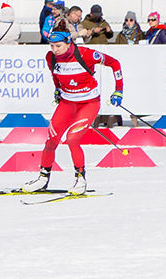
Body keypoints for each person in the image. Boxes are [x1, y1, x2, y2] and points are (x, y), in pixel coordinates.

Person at [27, 31, 123, 195]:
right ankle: (43, 179)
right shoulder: (50, 57)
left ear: (68, 43)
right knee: (51, 141)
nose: (55, 50)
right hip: (67, 104)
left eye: (58, 46)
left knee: (72, 139)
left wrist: (118, 91)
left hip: (88, 104)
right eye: (51, 46)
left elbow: (115, 63)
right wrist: (58, 89)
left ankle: (80, 179)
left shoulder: (87, 54)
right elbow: (55, 75)